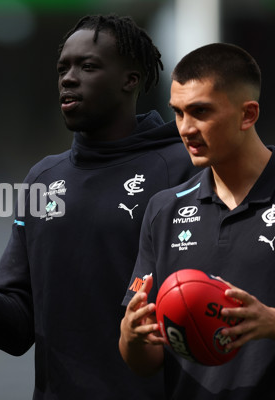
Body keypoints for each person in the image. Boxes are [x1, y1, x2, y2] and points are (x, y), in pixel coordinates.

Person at [0, 14, 198, 399]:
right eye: (63, 68)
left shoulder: (183, 167)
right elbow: (15, 329)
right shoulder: (43, 178)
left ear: (131, 79)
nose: (69, 78)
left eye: (88, 66)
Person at [119, 42, 275, 398]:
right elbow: (143, 362)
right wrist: (132, 336)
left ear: (247, 115)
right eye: (178, 113)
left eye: (200, 111)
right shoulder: (163, 210)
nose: (185, 128)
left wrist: (271, 323)